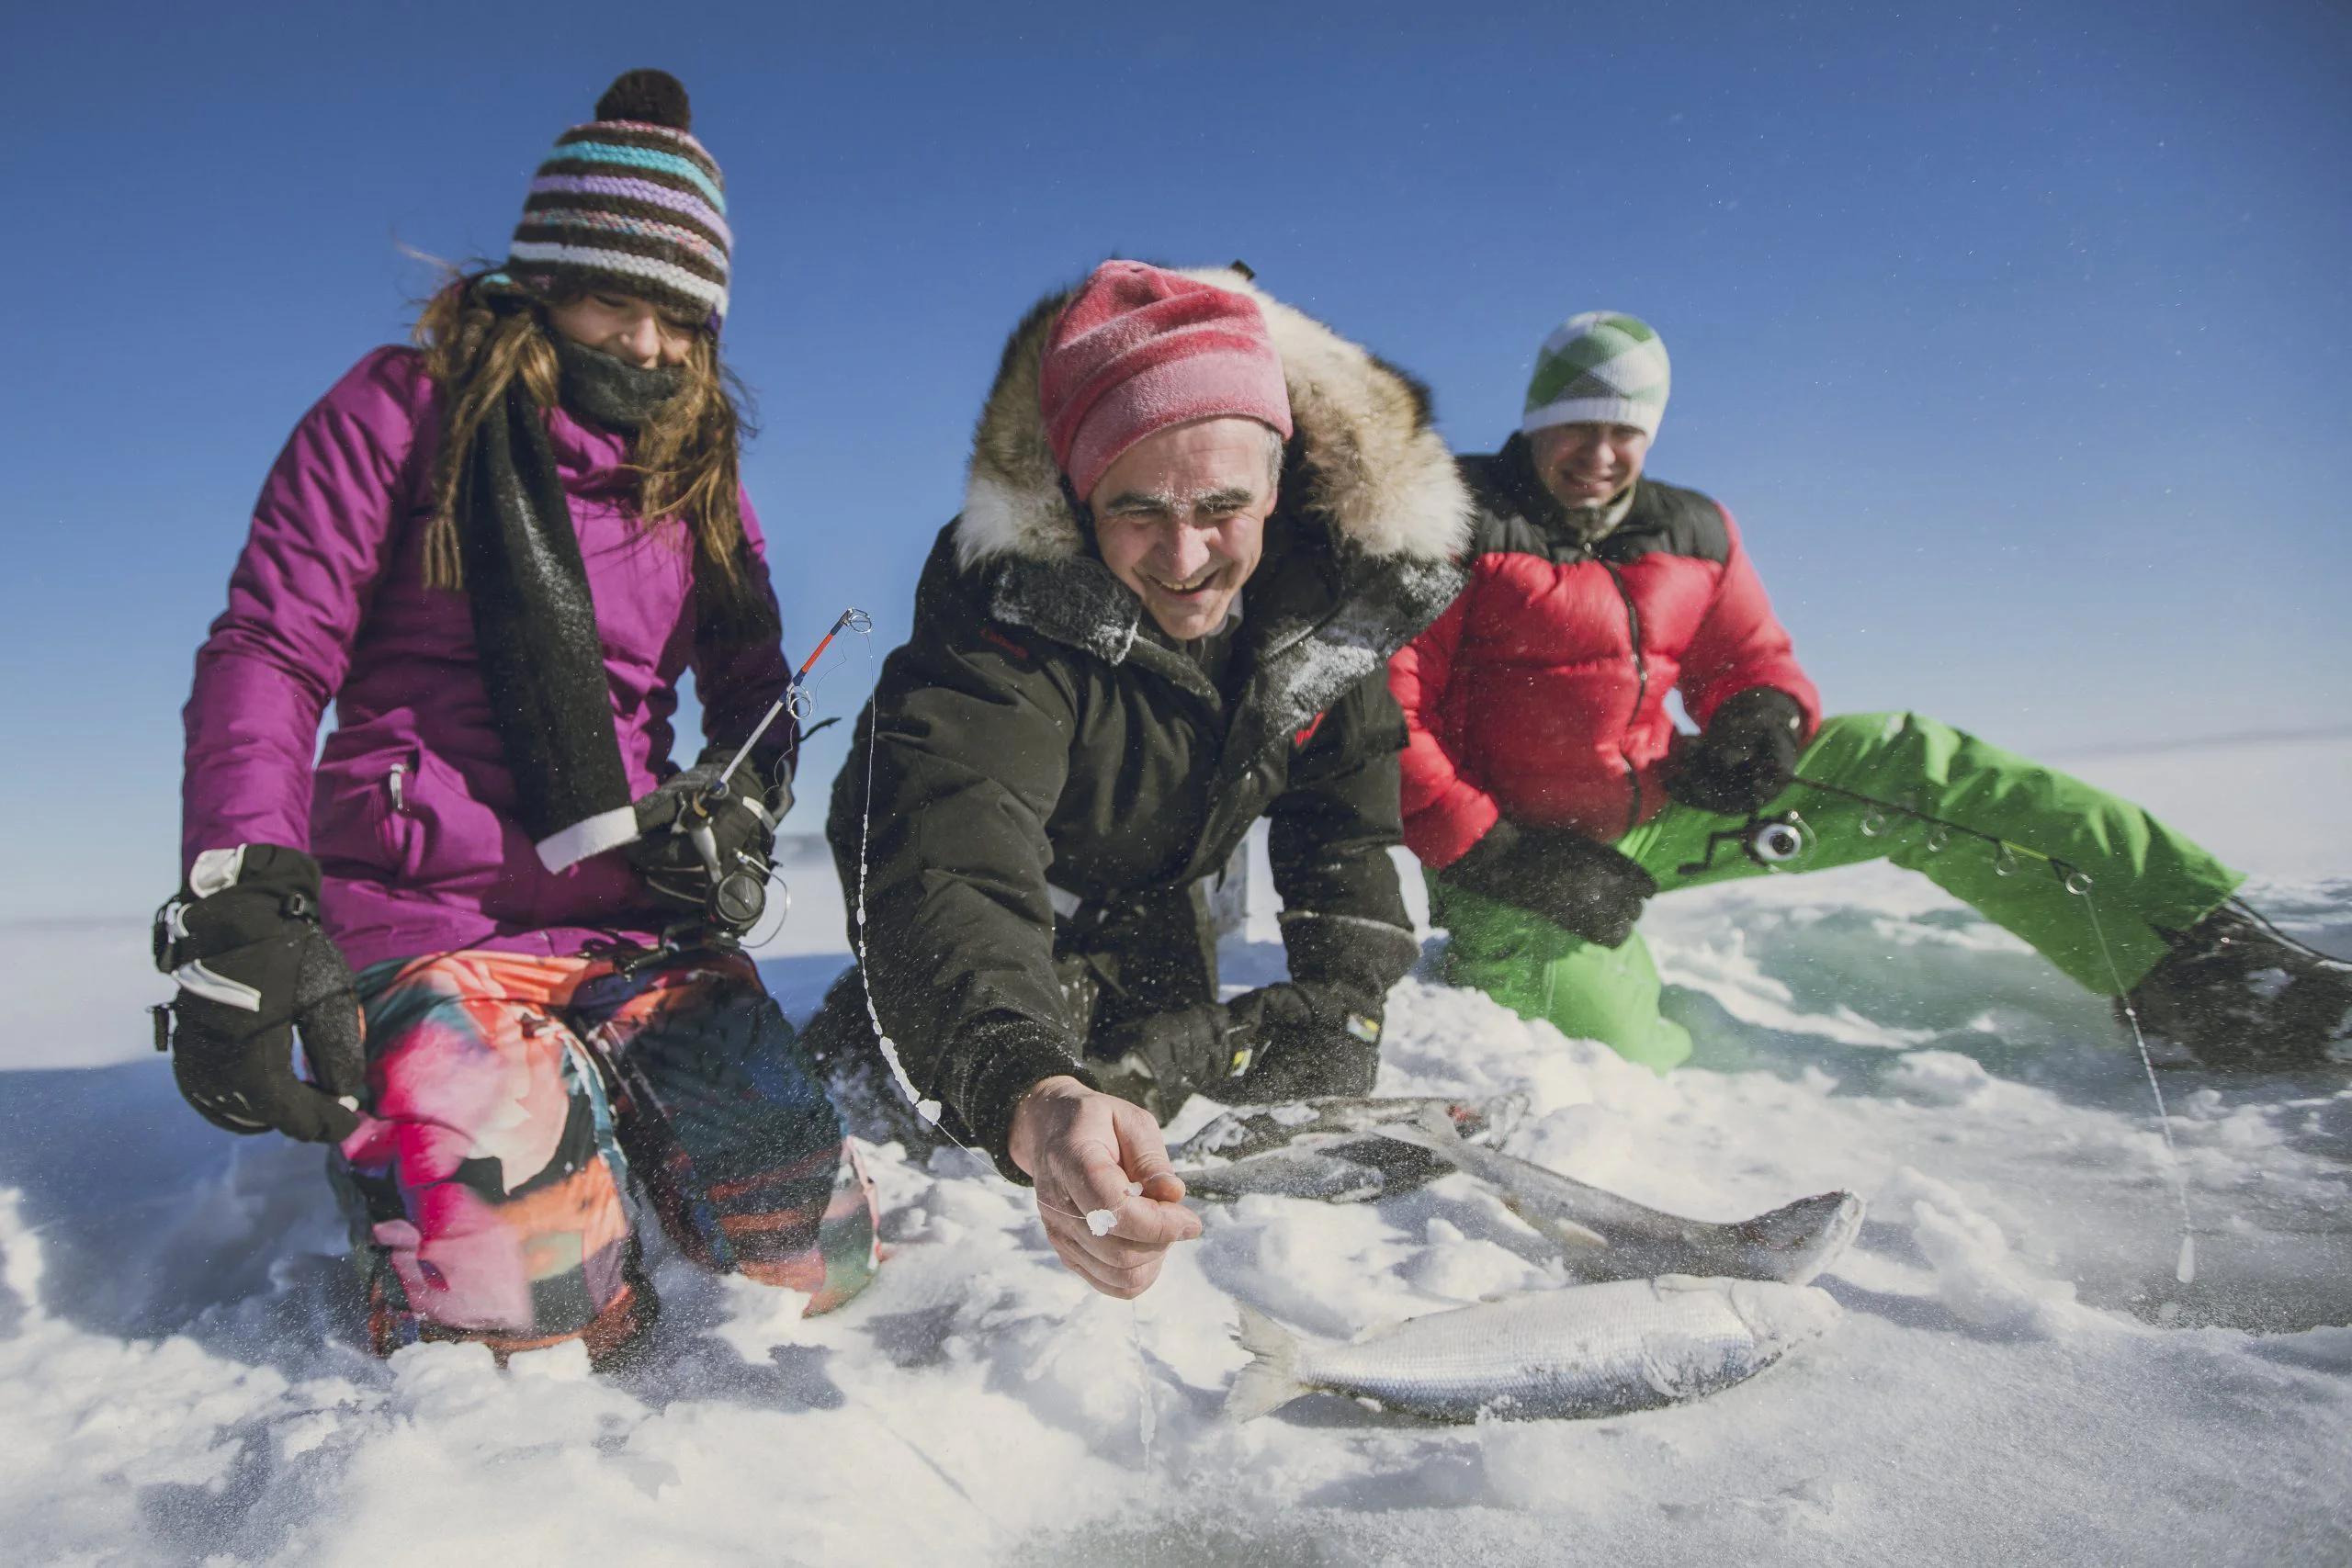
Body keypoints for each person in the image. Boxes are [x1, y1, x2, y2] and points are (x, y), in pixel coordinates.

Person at [154, 71, 878, 1366]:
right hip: (423, 912)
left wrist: (741, 805)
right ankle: (425, 1143)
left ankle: (589, 1101)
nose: (650, 347)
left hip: (629, 916)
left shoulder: (699, 475)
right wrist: (249, 888)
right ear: (543, 282)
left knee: (809, 1258)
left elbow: (754, 692)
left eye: (681, 318)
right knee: (527, 1320)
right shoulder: (401, 411)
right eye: (616, 300)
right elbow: (270, 646)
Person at [1392, 310, 2351, 1073]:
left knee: (1914, 762)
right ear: (1534, 416)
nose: (1601, 453)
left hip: (1660, 807)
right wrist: (1499, 854)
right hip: (1511, 852)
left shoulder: (1693, 530)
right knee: (1609, 1072)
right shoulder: (1449, 517)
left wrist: (1760, 717)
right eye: (1579, 424)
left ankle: (2206, 971)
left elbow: (1750, 656)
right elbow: (1383, 715)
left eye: (1626, 429)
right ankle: (1533, 972)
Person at [803, 261, 1469, 1297]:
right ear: (1076, 497)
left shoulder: (1323, 601)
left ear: (1279, 486)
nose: (1186, 553)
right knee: (1045, 1089)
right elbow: (953, 855)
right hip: (969, 901)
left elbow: (1343, 817)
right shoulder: (998, 625)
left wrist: (1344, 998)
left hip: (1147, 892)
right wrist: (1017, 1076)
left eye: (1221, 505)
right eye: (1137, 509)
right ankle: (881, 1034)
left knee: (1173, 1057)